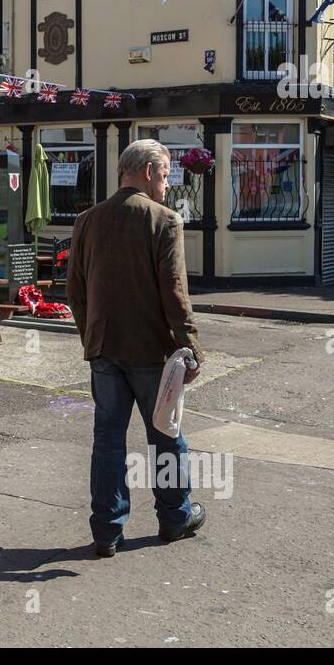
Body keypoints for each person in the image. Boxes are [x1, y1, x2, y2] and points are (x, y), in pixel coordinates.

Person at [67, 139, 207, 557]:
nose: (166, 186)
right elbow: (174, 292)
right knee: (166, 436)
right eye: (165, 177)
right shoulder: (164, 220)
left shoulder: (87, 220)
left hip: (104, 350)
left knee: (107, 439)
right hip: (151, 353)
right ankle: (175, 517)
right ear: (147, 172)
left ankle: (107, 531)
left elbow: (75, 290)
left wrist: (90, 335)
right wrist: (191, 346)